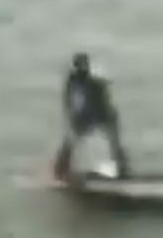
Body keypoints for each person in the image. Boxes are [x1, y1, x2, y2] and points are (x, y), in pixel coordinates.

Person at [53, 52, 131, 181]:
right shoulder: (73, 81)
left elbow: (102, 96)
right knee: (71, 140)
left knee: (114, 141)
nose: (83, 69)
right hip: (86, 115)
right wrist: (74, 117)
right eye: (81, 66)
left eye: (85, 66)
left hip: (100, 113)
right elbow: (71, 101)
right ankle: (60, 170)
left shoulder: (92, 80)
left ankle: (122, 169)